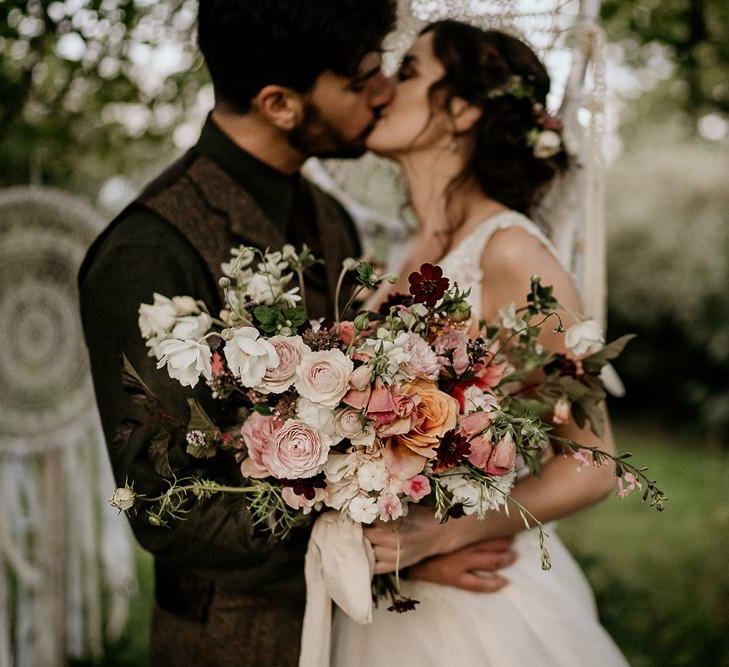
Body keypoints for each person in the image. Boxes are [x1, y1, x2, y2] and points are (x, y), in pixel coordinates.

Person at [79, 4, 514, 665]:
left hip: (362, 633)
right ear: (279, 103)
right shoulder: (149, 251)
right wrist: (390, 560)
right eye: (359, 79)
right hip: (240, 639)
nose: (381, 93)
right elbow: (173, 506)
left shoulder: (330, 217)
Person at [332, 21, 629, 665]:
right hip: (382, 596)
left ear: (462, 109)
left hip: (475, 612)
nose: (382, 89)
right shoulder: (397, 256)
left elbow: (593, 459)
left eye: (408, 72)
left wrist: (443, 535)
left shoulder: (511, 253)